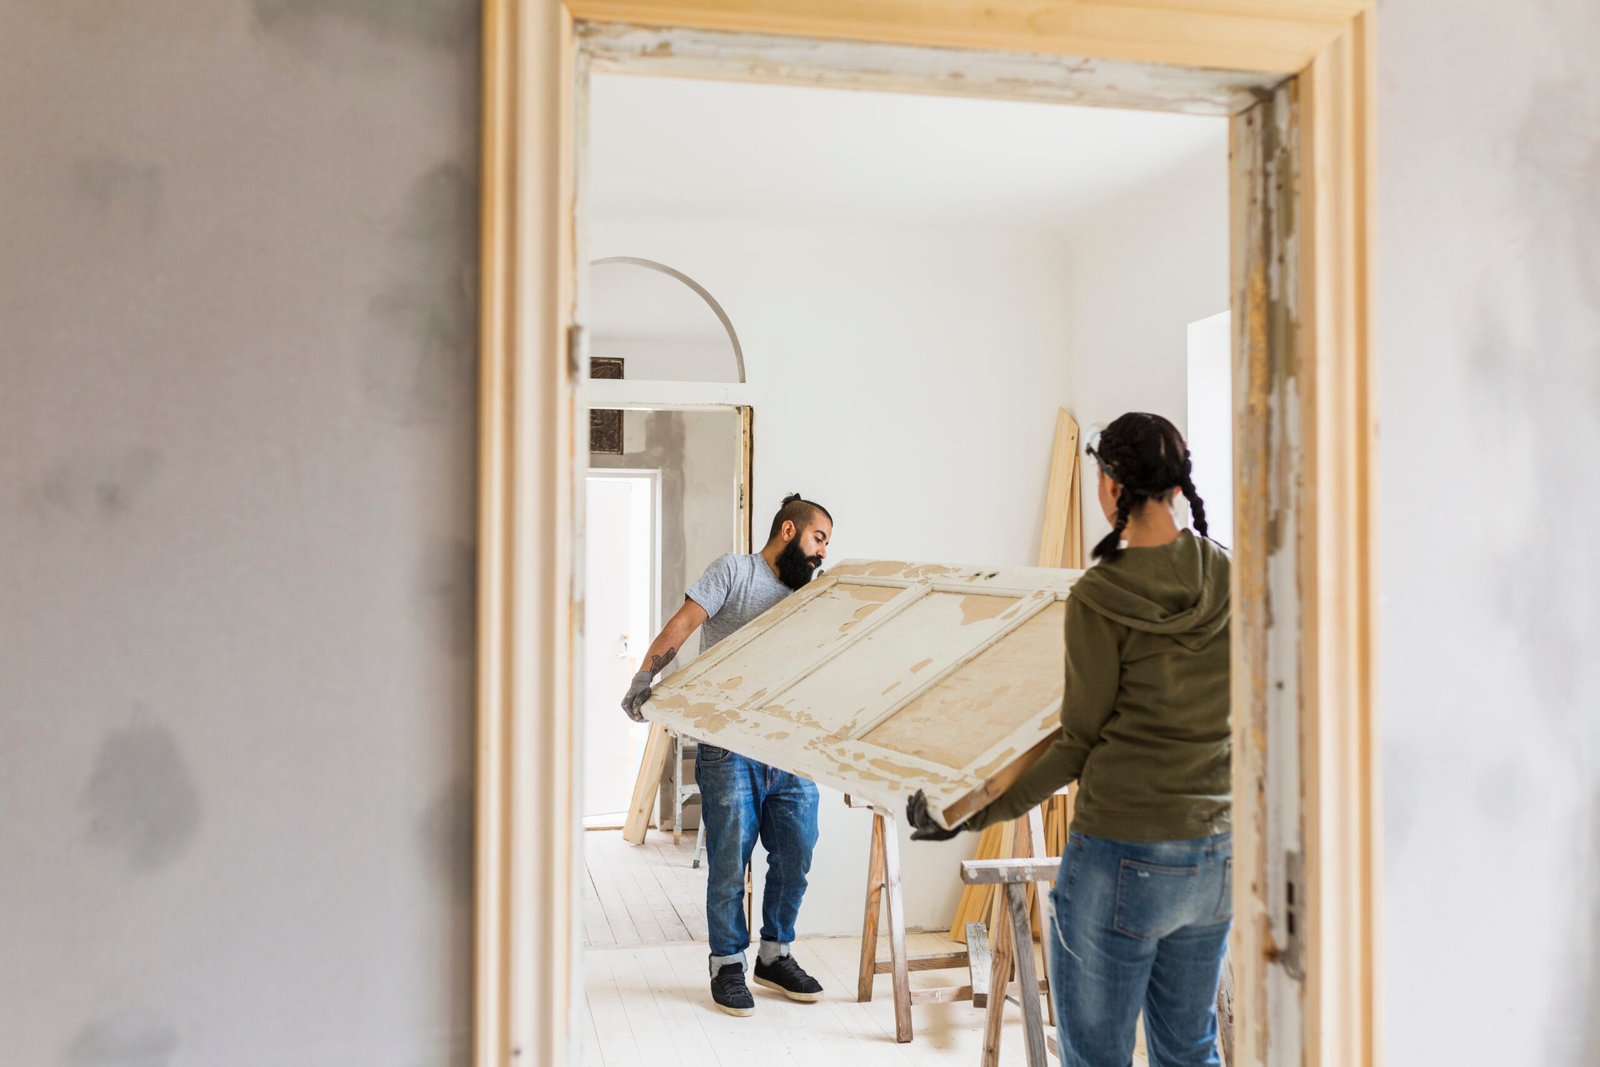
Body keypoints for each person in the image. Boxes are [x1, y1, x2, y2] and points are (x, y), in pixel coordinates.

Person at [907, 412, 1232, 1067]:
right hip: (1217, 854)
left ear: (1111, 486)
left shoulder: (1102, 594)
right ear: (1176, 480)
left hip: (1123, 853)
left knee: (1096, 1056)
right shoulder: (1227, 575)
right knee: (1190, 1050)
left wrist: (972, 811)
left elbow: (1074, 745)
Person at [622, 493, 834, 1017]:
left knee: (797, 851)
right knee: (729, 859)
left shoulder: (812, 595)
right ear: (789, 531)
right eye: (818, 539)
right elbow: (685, 622)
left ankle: (774, 954)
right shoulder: (735, 573)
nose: (822, 553)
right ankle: (727, 964)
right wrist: (646, 675)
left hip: (787, 744)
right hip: (727, 744)